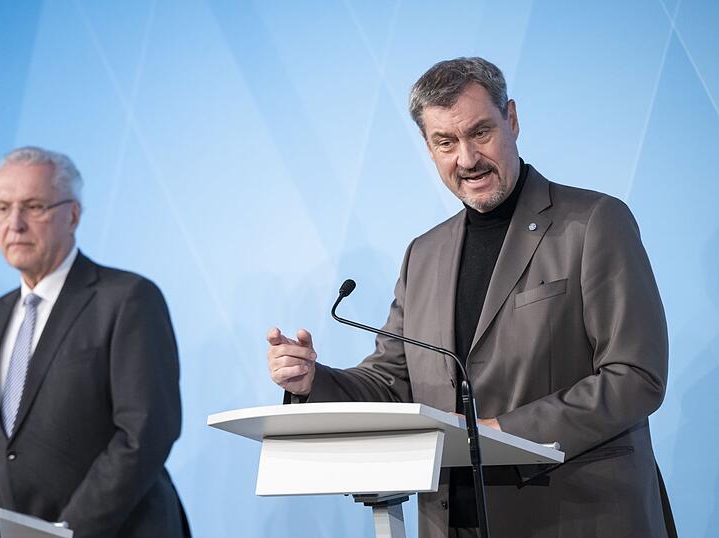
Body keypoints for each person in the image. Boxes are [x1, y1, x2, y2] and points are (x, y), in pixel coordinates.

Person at [266, 57, 675, 537]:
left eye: (480, 132)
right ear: (428, 147)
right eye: (446, 142)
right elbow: (393, 381)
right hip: (453, 521)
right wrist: (312, 381)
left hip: (575, 516)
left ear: (513, 120)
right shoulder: (424, 253)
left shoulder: (594, 222)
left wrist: (505, 433)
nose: (467, 159)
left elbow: (635, 375)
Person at [0, 146, 189, 537]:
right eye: (2, 207)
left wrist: (66, 532)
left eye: (34, 206)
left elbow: (143, 433)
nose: (15, 223)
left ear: (73, 215)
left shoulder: (127, 298)